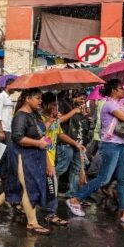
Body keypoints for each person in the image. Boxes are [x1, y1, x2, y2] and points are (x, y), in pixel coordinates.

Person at [67, 79, 124, 226]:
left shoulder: (119, 104)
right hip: (110, 145)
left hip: (120, 144)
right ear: (113, 91)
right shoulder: (109, 104)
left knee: (123, 180)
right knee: (104, 178)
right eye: (121, 88)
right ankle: (75, 199)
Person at [0, 88, 52, 235]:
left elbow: (38, 131)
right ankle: (32, 223)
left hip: (35, 157)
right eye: (37, 98)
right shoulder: (21, 116)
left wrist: (50, 121)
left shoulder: (35, 114)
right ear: (28, 99)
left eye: (41, 98)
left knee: (20, 186)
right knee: (30, 187)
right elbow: (18, 138)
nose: (40, 101)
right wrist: (38, 144)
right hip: (23, 156)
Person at [39, 92, 84, 227]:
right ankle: (50, 214)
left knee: (47, 186)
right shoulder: (40, 118)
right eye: (53, 105)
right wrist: (51, 121)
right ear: (45, 105)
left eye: (56, 105)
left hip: (51, 158)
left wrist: (75, 143)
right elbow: (39, 133)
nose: (55, 108)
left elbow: (60, 134)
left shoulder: (54, 119)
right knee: (52, 187)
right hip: (43, 158)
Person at [56, 93, 90, 199]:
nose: (83, 101)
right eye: (81, 98)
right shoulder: (62, 103)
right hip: (66, 142)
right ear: (74, 96)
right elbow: (59, 120)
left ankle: (72, 193)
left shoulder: (80, 108)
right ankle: (47, 189)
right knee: (61, 168)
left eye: (84, 99)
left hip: (78, 143)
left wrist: (85, 117)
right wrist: (74, 111)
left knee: (76, 168)